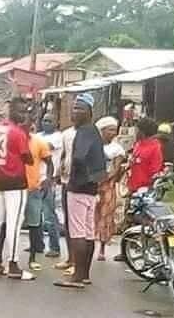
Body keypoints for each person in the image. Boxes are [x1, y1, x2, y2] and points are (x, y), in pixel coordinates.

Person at [54, 93, 105, 289]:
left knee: (77, 232)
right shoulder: (93, 131)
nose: (74, 112)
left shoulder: (83, 132)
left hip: (78, 186)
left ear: (89, 112)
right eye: (74, 108)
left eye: (79, 109)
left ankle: (76, 275)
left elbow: (80, 157)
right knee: (88, 231)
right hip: (91, 188)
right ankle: (85, 275)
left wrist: (73, 172)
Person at [0, 97, 34, 280]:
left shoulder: (0, 129)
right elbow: (28, 157)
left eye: (26, 112)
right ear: (12, 111)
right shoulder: (18, 132)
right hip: (15, 180)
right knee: (14, 223)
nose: (24, 115)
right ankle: (13, 264)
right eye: (21, 111)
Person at [114, 117, 164, 262]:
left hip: (145, 191)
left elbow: (155, 171)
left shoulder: (155, 147)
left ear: (144, 131)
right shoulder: (138, 144)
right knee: (129, 220)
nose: (135, 131)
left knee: (144, 221)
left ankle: (148, 249)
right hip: (132, 188)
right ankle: (127, 251)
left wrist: (148, 189)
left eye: (138, 129)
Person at [94, 116, 125, 262]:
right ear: (102, 130)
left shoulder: (117, 149)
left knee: (106, 216)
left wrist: (104, 179)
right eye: (110, 130)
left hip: (108, 186)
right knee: (92, 216)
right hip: (92, 185)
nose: (113, 133)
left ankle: (102, 248)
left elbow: (116, 169)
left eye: (114, 130)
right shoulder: (94, 146)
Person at [25, 125, 53, 271]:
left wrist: (48, 179)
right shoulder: (14, 139)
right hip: (14, 188)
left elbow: (49, 163)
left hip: (33, 188)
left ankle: (33, 257)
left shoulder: (39, 142)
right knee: (7, 223)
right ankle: (1, 259)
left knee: (34, 223)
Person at [37, 113, 63, 258]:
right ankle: (37, 244)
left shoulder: (58, 137)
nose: (45, 123)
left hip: (48, 179)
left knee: (49, 215)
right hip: (35, 178)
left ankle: (55, 247)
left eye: (49, 120)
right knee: (35, 215)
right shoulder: (38, 135)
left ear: (56, 122)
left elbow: (44, 148)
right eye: (44, 120)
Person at [54, 124, 77, 275]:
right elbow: (63, 154)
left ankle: (76, 261)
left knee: (77, 224)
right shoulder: (66, 133)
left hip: (79, 181)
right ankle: (69, 258)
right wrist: (57, 172)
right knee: (68, 221)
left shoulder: (88, 133)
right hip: (65, 179)